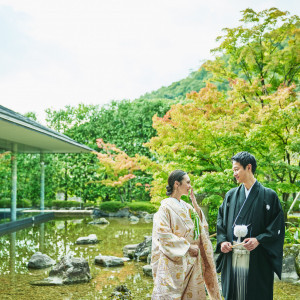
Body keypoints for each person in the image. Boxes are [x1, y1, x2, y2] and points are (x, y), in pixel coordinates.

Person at [216, 152, 285, 300]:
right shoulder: (230, 195)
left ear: (248, 167)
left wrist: (259, 239)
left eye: (236, 169)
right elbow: (220, 220)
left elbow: (277, 226)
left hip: (257, 256)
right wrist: (222, 241)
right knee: (233, 293)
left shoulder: (269, 195)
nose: (234, 173)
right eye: (233, 170)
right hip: (233, 253)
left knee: (255, 293)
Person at [151, 170, 221, 300]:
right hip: (174, 262)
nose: (190, 186)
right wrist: (188, 247)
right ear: (177, 184)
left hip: (191, 261)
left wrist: (194, 203)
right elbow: (163, 235)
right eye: (187, 182)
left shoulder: (187, 206)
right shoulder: (165, 208)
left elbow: (200, 227)